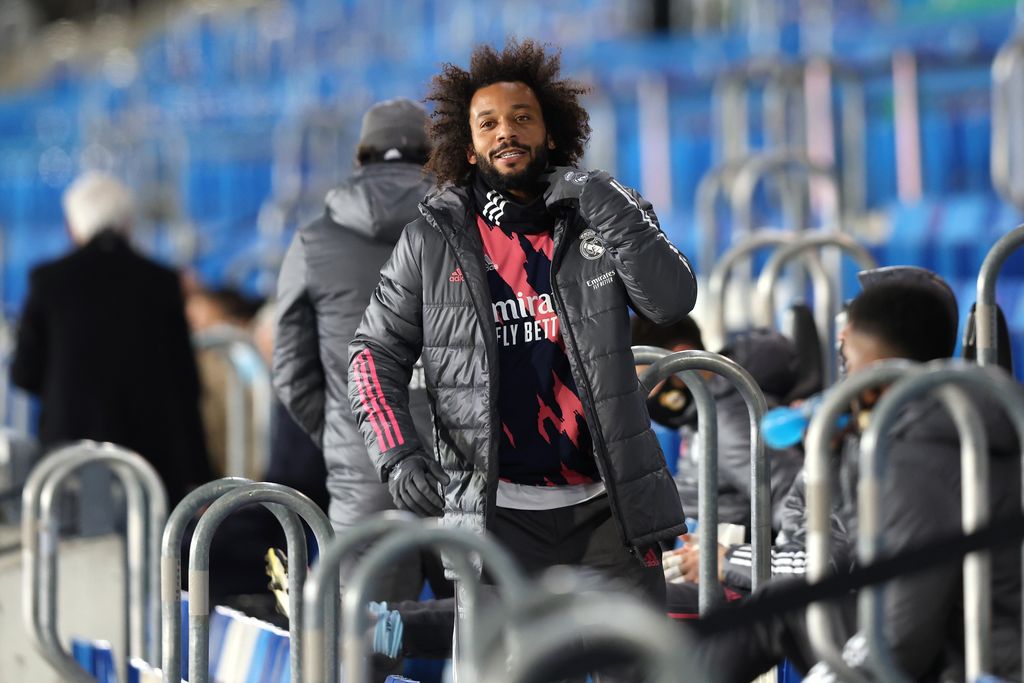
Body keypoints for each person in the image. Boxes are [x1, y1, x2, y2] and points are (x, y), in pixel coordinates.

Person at [347, 37, 698, 645]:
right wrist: (397, 451)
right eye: (488, 123)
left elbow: (671, 301)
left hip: (610, 509)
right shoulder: (432, 237)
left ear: (552, 133)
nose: (506, 132)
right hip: (495, 524)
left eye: (521, 118)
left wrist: (607, 205)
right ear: (469, 143)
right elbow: (371, 355)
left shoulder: (603, 210)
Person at [693, 269, 1022, 682]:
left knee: (774, 608)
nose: (843, 373)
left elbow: (902, 637)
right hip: (953, 640)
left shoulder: (918, 454)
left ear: (874, 366)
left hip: (967, 662)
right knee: (782, 601)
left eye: (847, 358)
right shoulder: (955, 414)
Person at [273, 97, 452, 674]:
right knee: (486, 631)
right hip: (470, 471)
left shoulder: (312, 241)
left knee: (364, 644)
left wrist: (347, 433)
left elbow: (291, 372)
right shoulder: (475, 227)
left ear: (360, 156)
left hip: (367, 475)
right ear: (436, 157)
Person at [10, 171, 210, 506]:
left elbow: (24, 374)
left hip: (71, 454)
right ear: (128, 223)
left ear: (71, 226)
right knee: (153, 551)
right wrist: (199, 471)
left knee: (73, 553)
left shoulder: (48, 281)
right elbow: (185, 381)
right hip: (153, 457)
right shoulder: (161, 281)